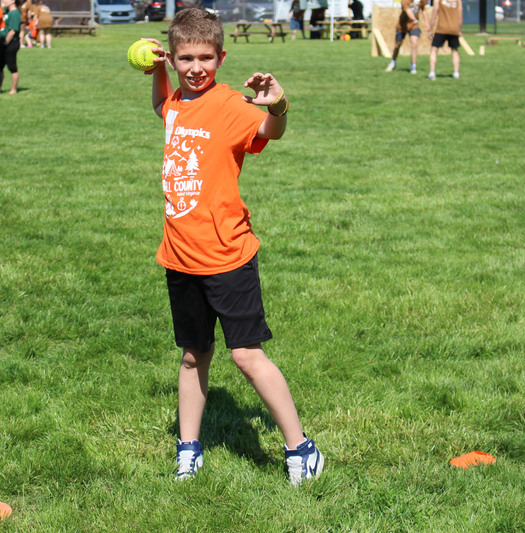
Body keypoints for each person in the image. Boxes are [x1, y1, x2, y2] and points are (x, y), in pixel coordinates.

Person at [140, 8, 325, 486]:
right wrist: (156, 70)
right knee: (191, 354)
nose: (196, 66)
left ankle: (300, 448)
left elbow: (269, 132)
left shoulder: (228, 105)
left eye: (205, 57)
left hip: (227, 255)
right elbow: (161, 107)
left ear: (221, 57)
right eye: (185, 58)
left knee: (245, 355)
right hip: (179, 255)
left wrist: (278, 105)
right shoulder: (177, 100)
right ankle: (189, 448)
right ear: (174, 58)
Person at [385, 0, 429, 73]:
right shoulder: (405, 0)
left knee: (414, 44)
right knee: (397, 45)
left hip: (414, 26)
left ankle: (413, 67)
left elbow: (423, 9)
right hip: (402, 26)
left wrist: (427, 22)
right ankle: (393, 62)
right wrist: (415, 19)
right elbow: (408, 12)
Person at [427, 0, 463, 80]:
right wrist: (459, 30)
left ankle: (432, 73)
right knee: (454, 51)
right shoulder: (458, 1)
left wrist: (431, 29)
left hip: (441, 28)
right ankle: (456, 73)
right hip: (454, 29)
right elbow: (460, 16)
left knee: (434, 49)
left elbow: (435, 13)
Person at [0, 0, 21, 94]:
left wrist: (5, 43)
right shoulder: (6, 11)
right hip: (2, 42)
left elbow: (12, 31)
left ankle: (13, 89)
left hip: (11, 43)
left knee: (12, 66)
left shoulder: (15, 13)